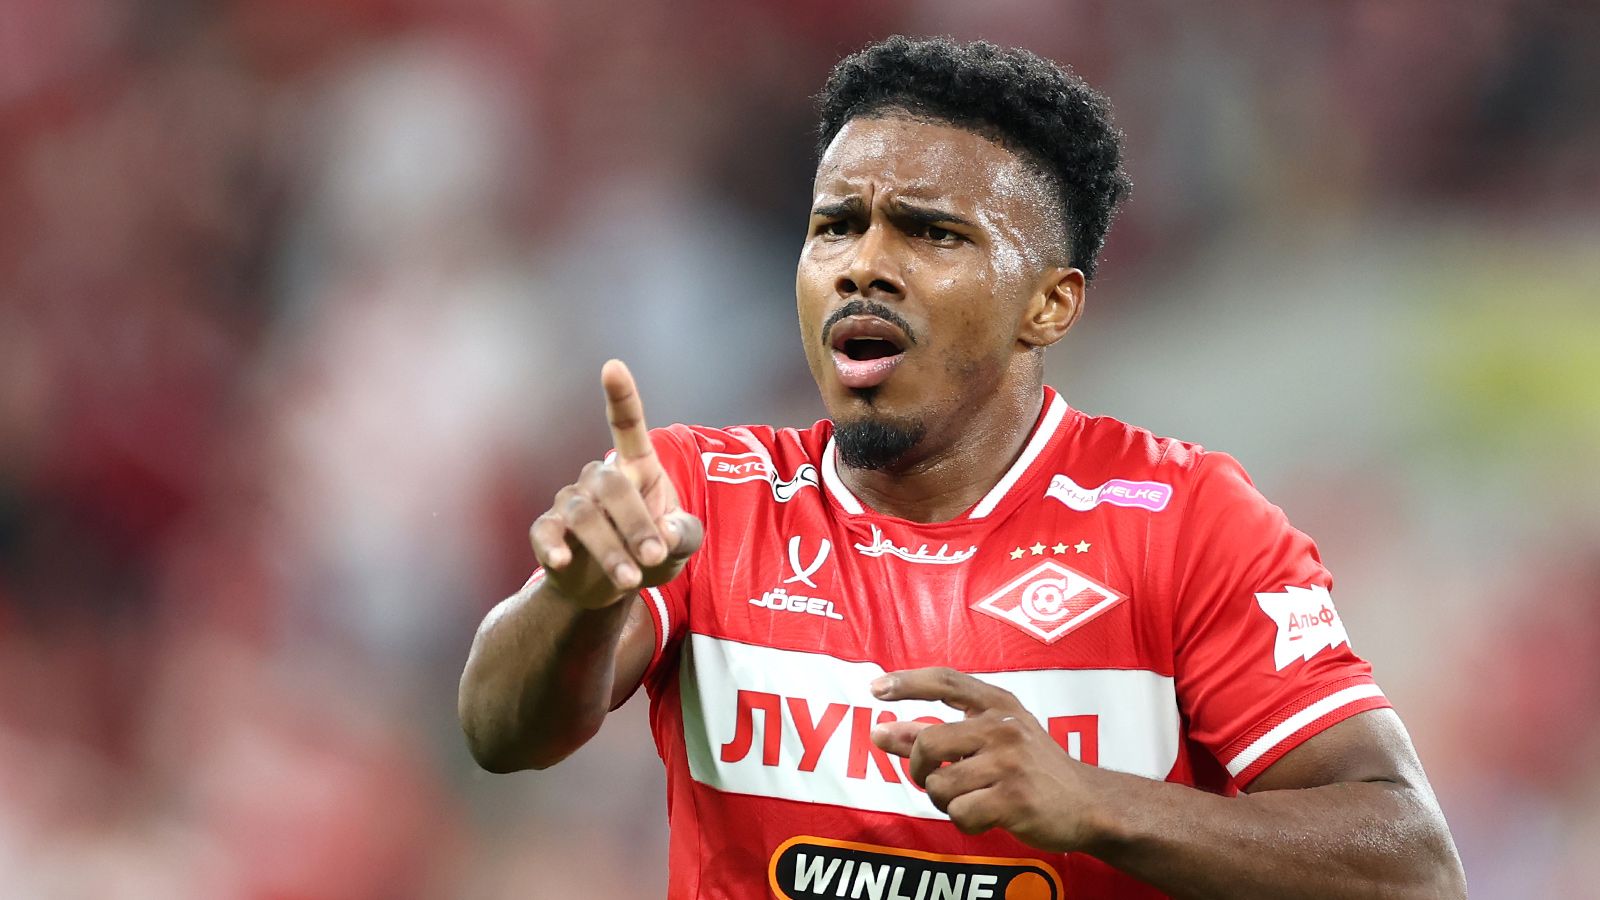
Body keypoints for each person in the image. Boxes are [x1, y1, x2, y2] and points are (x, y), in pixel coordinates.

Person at [458, 36, 1466, 899]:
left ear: (1050, 305)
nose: (863, 263)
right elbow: (501, 736)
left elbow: (1413, 864)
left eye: (931, 232)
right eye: (836, 225)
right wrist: (577, 598)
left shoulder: (1185, 523)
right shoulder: (704, 497)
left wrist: (1095, 803)